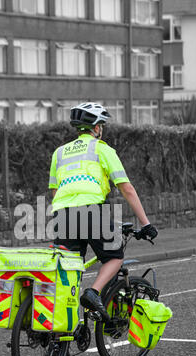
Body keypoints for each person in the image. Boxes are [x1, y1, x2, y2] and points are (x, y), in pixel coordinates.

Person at [49, 102, 158, 322]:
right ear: (97, 127)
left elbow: (54, 191)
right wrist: (146, 224)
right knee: (114, 257)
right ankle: (93, 293)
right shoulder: (102, 149)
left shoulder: (59, 153)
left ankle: (61, 333)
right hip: (91, 211)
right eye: (102, 125)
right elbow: (126, 188)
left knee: (70, 271)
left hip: (61, 215)